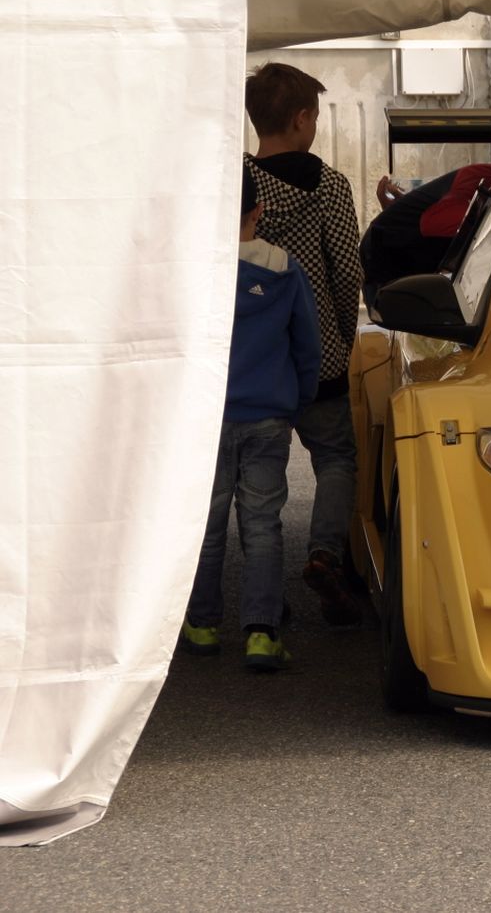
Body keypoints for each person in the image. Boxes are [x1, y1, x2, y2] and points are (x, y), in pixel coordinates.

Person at [181, 168, 321, 671]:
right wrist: (295, 404)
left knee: (207, 526)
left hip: (206, 420)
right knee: (262, 524)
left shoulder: (194, 271)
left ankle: (201, 625)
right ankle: (262, 634)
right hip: (268, 417)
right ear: (258, 210)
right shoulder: (285, 268)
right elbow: (307, 348)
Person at [243, 62, 365, 625]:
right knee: (336, 457)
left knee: (257, 483)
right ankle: (324, 554)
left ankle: (265, 592)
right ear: (300, 119)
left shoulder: (240, 186)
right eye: (314, 116)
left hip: (256, 358)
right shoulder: (331, 187)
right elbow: (346, 273)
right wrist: (341, 336)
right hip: (320, 356)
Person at [360, 150, 491, 312]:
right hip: (383, 251)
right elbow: (439, 225)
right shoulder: (488, 181)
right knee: (396, 316)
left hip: (401, 243)